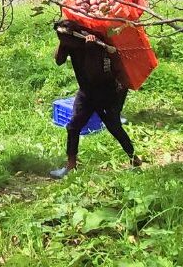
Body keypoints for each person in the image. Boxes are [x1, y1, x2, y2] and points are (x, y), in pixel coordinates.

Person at [50, 20, 142, 179]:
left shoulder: (95, 44)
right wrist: (62, 43)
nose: (61, 39)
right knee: (73, 127)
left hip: (106, 92)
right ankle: (70, 166)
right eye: (58, 36)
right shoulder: (68, 42)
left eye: (63, 37)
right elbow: (59, 61)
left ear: (74, 36)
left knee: (114, 126)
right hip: (86, 92)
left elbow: (94, 74)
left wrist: (90, 49)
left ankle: (134, 159)